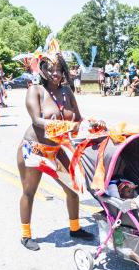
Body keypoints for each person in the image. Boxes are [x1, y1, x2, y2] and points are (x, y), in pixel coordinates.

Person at [17, 39, 97, 251]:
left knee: (72, 188)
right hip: (35, 148)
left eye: (60, 69)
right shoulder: (35, 90)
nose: (56, 73)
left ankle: (75, 228)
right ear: (43, 70)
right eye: (51, 69)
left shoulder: (67, 91)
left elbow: (78, 118)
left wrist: (92, 125)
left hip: (57, 148)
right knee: (29, 191)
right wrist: (65, 126)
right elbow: (37, 121)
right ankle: (26, 235)